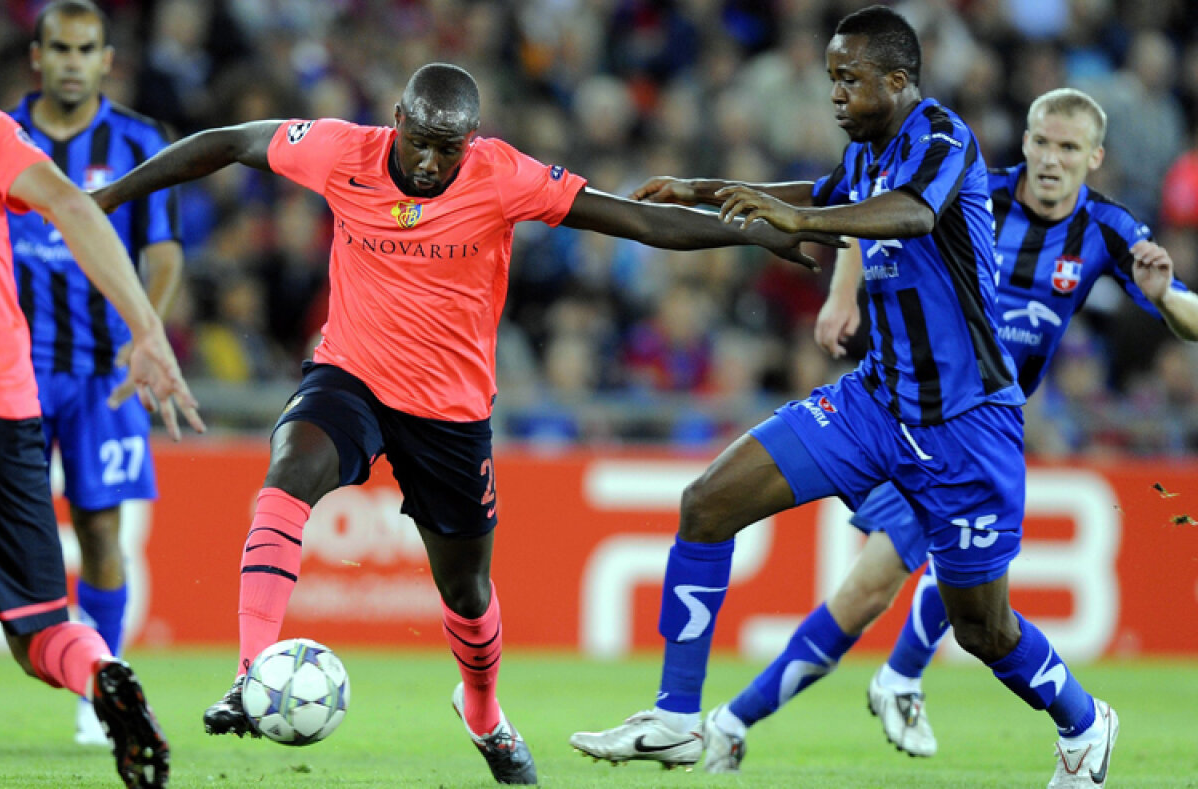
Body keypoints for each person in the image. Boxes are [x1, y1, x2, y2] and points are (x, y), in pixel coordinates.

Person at [91, 62, 841, 786]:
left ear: (473, 140)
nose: (429, 159)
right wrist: (109, 198)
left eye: (449, 146)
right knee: (288, 470)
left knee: (468, 592)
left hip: (449, 414)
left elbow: (638, 220)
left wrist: (751, 233)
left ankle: (483, 715)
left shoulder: (502, 174)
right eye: (419, 139)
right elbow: (223, 141)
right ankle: (251, 670)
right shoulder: (339, 150)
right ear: (397, 122)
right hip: (350, 376)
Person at [568, 8, 1118, 788]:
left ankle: (1086, 721)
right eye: (831, 76)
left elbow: (914, 214)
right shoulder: (864, 155)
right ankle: (676, 718)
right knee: (707, 503)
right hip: (874, 405)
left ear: (896, 82)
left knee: (983, 628)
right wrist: (712, 190)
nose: (834, 93)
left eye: (848, 78)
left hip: (968, 426)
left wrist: (802, 217)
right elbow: (812, 195)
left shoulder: (941, 139)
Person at [694, 85, 1198, 772]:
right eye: (1042, 142)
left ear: (1095, 157)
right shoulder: (973, 191)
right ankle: (812, 701)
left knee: (913, 593)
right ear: (1024, 141)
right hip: (914, 411)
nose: (1051, 159)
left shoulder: (1106, 230)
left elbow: (1184, 318)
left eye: (1068, 148)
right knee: (890, 585)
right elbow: (872, 212)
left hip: (978, 430)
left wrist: (1167, 294)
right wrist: (844, 293)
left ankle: (772, 711)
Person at [0, 105, 202, 787]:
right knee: (39, 635)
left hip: (64, 384)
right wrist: (148, 328)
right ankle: (102, 669)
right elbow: (71, 205)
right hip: (10, 406)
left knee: (102, 527)